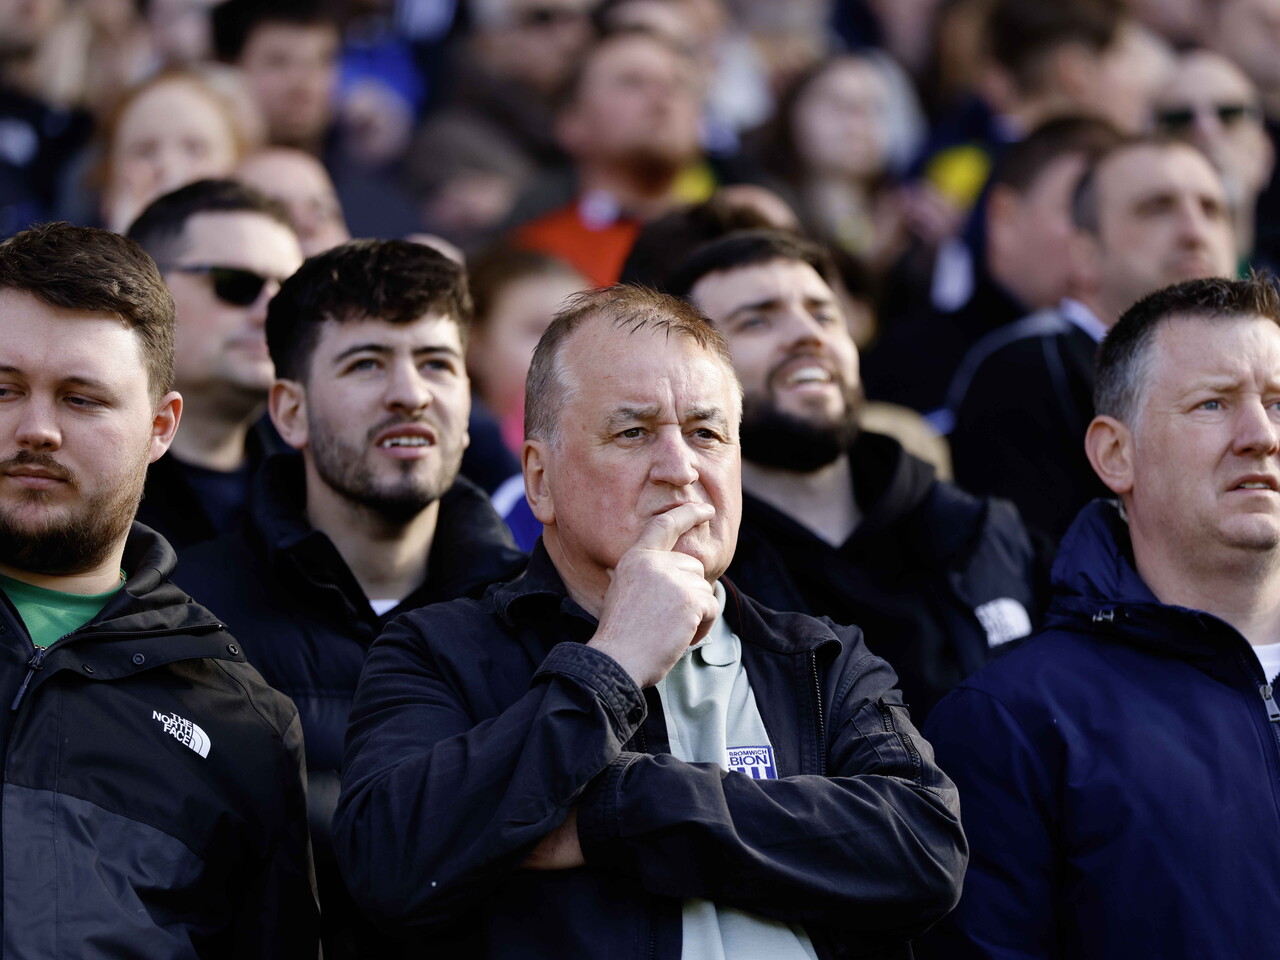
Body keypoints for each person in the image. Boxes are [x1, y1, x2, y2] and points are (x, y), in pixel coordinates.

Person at [333, 285, 967, 958]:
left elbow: (926, 852)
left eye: (706, 433)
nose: (681, 469)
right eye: (633, 433)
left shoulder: (823, 658)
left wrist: (622, 811)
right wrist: (610, 667)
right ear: (539, 481)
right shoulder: (435, 650)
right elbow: (389, 865)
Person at [179, 238, 525, 959]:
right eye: (367, 363)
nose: (410, 392)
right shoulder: (186, 614)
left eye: (436, 362)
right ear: (289, 412)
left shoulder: (537, 617)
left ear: (468, 409)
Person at [918, 273, 1280, 959]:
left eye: (1279, 402)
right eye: (1212, 404)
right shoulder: (1010, 721)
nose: (1260, 435)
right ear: (1115, 453)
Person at [0, 221, 317, 956]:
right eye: (4, 388)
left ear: (160, 426)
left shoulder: (243, 727)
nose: (38, 428)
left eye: (82, 399)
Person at [667, 229, 1043, 719]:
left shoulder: (983, 532)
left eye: (824, 313)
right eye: (757, 320)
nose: (808, 333)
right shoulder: (688, 578)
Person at [947, 137, 1238, 541]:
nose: (1195, 232)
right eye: (1157, 208)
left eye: (1212, 210)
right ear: (1085, 252)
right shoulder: (1021, 373)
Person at [127, 178, 304, 548]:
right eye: (235, 284)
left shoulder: (316, 488)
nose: (270, 313)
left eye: (289, 295)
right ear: (143, 294)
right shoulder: (73, 474)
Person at [510, 29, 705, 286]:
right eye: (632, 82)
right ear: (572, 122)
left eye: (678, 84)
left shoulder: (731, 242)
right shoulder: (532, 255)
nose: (664, 100)